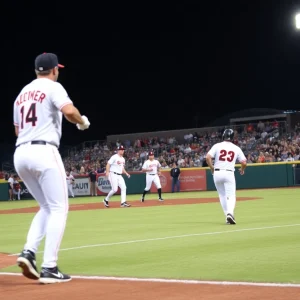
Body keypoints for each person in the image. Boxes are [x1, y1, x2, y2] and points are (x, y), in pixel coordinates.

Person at [13, 52, 90, 284]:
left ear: (37, 70)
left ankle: (28, 251)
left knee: (46, 207)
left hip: (21, 153)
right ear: (54, 70)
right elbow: (69, 111)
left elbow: (18, 130)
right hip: (44, 150)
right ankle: (49, 267)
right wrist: (83, 121)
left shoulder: (21, 95)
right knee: (59, 208)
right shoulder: (53, 87)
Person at [205, 129, 247, 225]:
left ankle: (227, 215)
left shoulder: (217, 145)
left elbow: (207, 157)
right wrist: (242, 169)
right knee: (231, 195)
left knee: (222, 195)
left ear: (223, 136)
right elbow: (244, 162)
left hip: (217, 173)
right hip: (228, 173)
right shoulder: (236, 148)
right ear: (232, 137)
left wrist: (212, 168)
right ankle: (230, 213)